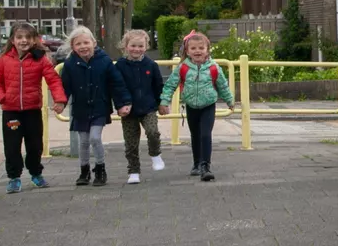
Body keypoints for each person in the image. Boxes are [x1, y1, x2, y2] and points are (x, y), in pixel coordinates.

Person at [0, 22, 67, 194]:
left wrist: (60, 100)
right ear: (12, 40)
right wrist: (2, 97)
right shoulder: (4, 60)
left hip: (32, 110)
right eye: (19, 37)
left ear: (34, 40)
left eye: (28, 37)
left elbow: (53, 80)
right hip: (11, 111)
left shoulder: (40, 60)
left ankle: (36, 174)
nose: (23, 41)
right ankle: (14, 178)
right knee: (12, 146)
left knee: (34, 145)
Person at [60, 26, 132, 186]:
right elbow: (64, 86)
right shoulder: (70, 64)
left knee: (94, 138)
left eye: (86, 42)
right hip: (80, 108)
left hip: (99, 106)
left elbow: (117, 83)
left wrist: (123, 103)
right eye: (78, 44)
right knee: (83, 141)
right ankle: (84, 170)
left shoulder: (104, 60)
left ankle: (100, 169)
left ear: (94, 42)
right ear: (73, 46)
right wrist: (60, 102)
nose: (83, 46)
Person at [159, 31, 234, 181]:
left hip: (208, 105)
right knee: (195, 135)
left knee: (205, 134)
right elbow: (170, 86)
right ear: (187, 51)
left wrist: (230, 100)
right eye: (193, 48)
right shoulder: (183, 68)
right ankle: (196, 163)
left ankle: (206, 166)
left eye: (201, 48)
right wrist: (164, 102)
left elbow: (223, 86)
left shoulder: (214, 68)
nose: (197, 51)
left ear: (207, 50)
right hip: (191, 105)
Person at [115, 29, 165, 184]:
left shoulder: (151, 65)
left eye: (140, 46)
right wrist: (120, 106)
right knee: (130, 143)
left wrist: (162, 103)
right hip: (128, 110)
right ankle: (133, 171)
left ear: (146, 46)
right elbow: (117, 87)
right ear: (125, 46)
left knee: (152, 132)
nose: (136, 49)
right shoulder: (120, 66)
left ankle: (155, 154)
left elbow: (158, 86)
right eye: (133, 45)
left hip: (148, 108)